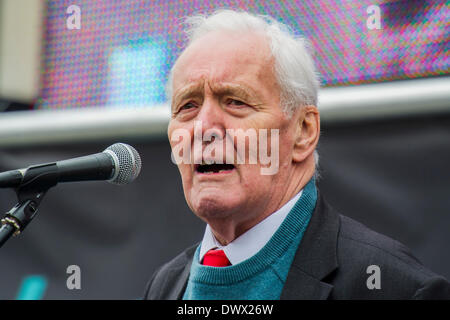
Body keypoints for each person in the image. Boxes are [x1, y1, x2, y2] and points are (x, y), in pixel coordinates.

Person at [143, 10, 450, 300]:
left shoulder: (394, 287)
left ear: (303, 131)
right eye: (187, 106)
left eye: (235, 101)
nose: (204, 127)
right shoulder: (165, 285)